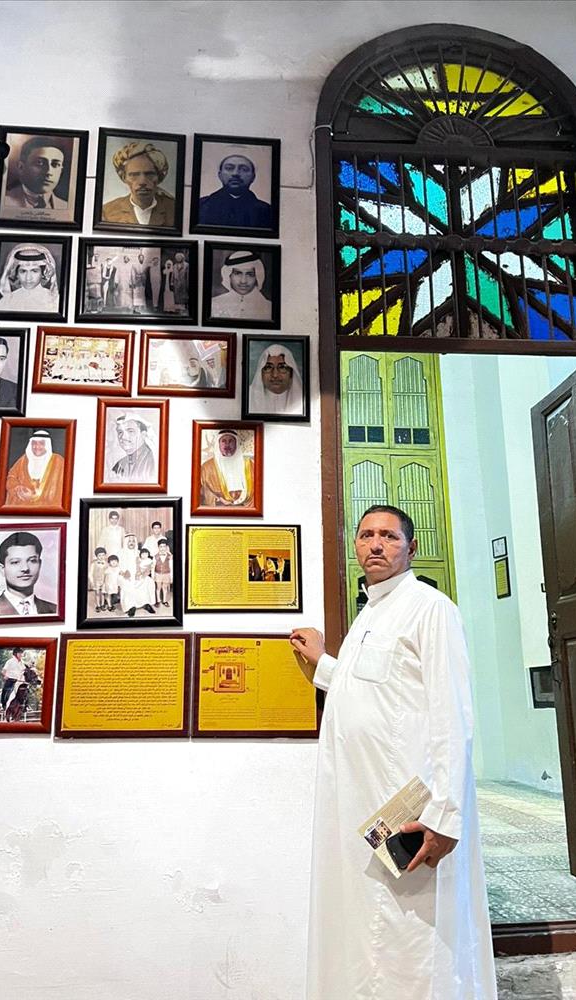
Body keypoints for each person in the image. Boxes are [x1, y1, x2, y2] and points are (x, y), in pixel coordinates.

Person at [289, 505, 496, 1000]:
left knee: (414, 937)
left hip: (411, 810)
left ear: (411, 548)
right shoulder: (369, 614)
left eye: (389, 536)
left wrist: (445, 816)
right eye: (366, 536)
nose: (376, 545)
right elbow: (371, 693)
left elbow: (453, 713)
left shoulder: (431, 608)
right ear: (355, 546)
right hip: (361, 804)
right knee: (367, 931)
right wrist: (323, 663)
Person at [102, 140, 175, 227]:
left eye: (149, 174)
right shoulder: (107, 212)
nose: (142, 182)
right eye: (134, 175)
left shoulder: (174, 210)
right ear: (124, 177)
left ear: (159, 176)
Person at [198, 152, 272, 229]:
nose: (235, 173)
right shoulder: (201, 206)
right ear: (220, 175)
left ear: (253, 177)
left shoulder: (266, 211)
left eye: (244, 169)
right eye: (229, 168)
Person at [0, 530, 57, 616]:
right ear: (2, 569)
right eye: (15, 562)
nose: (25, 568)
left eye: (32, 561)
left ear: (40, 564)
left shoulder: (55, 610)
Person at [4, 136, 68, 213]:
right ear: (21, 167)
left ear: (61, 170)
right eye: (40, 163)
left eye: (56, 164)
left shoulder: (65, 207)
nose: (48, 172)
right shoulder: (4, 201)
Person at [5, 429, 64, 507]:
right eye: (34, 443)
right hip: (23, 506)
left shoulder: (58, 461)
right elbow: (11, 477)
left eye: (41, 444)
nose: (36, 447)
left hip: (47, 507)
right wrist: (18, 488)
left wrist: (37, 495)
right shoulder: (24, 460)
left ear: (47, 445)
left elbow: (62, 487)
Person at [0, 244, 59, 313]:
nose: (28, 278)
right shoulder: (5, 302)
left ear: (43, 273)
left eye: (34, 271)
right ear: (16, 274)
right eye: (23, 271)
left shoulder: (54, 300)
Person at [210, 250, 272, 321]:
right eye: (238, 273)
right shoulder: (214, 304)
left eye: (250, 274)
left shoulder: (269, 308)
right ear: (229, 275)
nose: (243, 281)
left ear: (257, 277)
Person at [199, 429, 254, 508]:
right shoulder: (207, 468)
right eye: (223, 441)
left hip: (247, 511)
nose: (227, 444)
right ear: (218, 444)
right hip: (218, 511)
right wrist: (219, 500)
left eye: (231, 441)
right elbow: (203, 494)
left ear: (236, 443)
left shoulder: (250, 465)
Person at [248, 343, 304, 416]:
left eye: (282, 367)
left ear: (291, 373)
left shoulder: (304, 398)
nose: (275, 375)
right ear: (261, 372)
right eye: (268, 367)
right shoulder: (248, 396)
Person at [109, 413, 157, 483]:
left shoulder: (154, 461)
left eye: (130, 431)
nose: (123, 437)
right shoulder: (119, 465)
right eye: (120, 432)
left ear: (143, 435)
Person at [120, 546, 156, 616]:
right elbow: (121, 566)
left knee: (148, 582)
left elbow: (148, 569)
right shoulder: (122, 553)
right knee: (128, 585)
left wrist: (142, 574)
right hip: (129, 575)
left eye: (133, 541)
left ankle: (146, 603)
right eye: (129, 541)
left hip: (141, 575)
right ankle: (131, 606)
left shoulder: (138, 553)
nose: (131, 543)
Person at [153, 538, 172, 607]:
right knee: (158, 588)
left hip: (167, 574)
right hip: (158, 574)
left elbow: (171, 566)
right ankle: (158, 601)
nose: (162, 548)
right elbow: (153, 567)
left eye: (164, 546)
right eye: (161, 546)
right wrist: (153, 575)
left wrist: (171, 576)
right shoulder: (155, 556)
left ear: (166, 547)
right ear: (158, 547)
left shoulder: (169, 556)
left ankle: (164, 600)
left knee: (165, 588)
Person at [89, 547, 108, 612]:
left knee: (103, 593)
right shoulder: (93, 564)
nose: (101, 557)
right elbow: (90, 573)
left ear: (105, 555)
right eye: (99, 555)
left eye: (103, 555)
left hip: (104, 580)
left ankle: (102, 604)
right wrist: (92, 581)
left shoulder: (106, 563)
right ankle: (98, 605)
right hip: (96, 581)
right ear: (96, 556)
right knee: (97, 593)